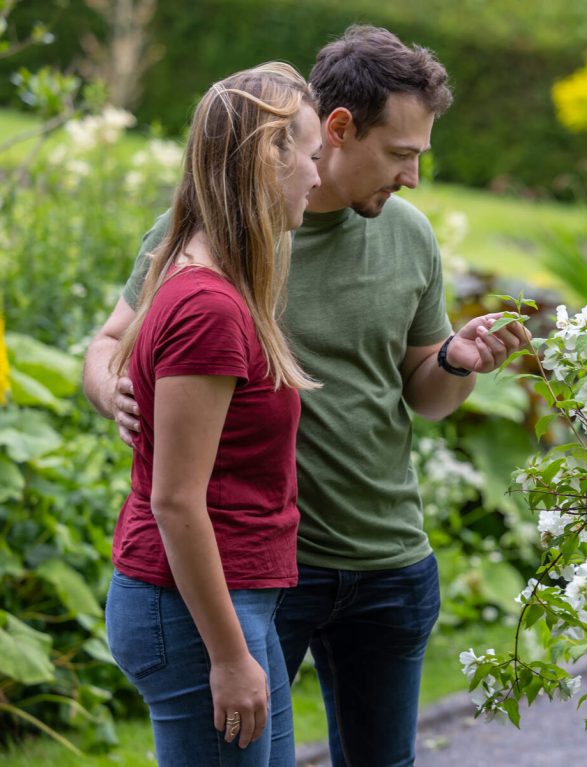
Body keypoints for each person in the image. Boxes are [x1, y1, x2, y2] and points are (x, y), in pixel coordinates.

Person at [84, 26, 531, 767]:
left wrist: (455, 360)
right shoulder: (214, 252)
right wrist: (114, 390)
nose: (414, 177)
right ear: (337, 129)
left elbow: (427, 396)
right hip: (258, 570)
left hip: (381, 557)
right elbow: (123, 358)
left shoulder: (407, 238)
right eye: (402, 155)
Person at [101, 62, 322, 766]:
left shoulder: (218, 283)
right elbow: (175, 500)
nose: (318, 177)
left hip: (223, 601)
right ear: (269, 160)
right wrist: (229, 657)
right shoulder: (208, 307)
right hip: (193, 611)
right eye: (310, 156)